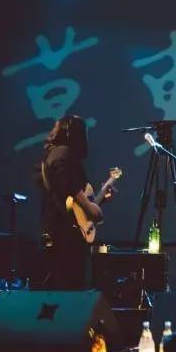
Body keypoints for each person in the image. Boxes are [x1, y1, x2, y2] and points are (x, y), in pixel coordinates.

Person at [38, 114, 107, 289]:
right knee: (70, 287)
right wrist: (88, 206)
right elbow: (67, 184)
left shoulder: (55, 153)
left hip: (64, 231)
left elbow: (73, 204)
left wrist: (96, 202)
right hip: (64, 235)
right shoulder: (62, 152)